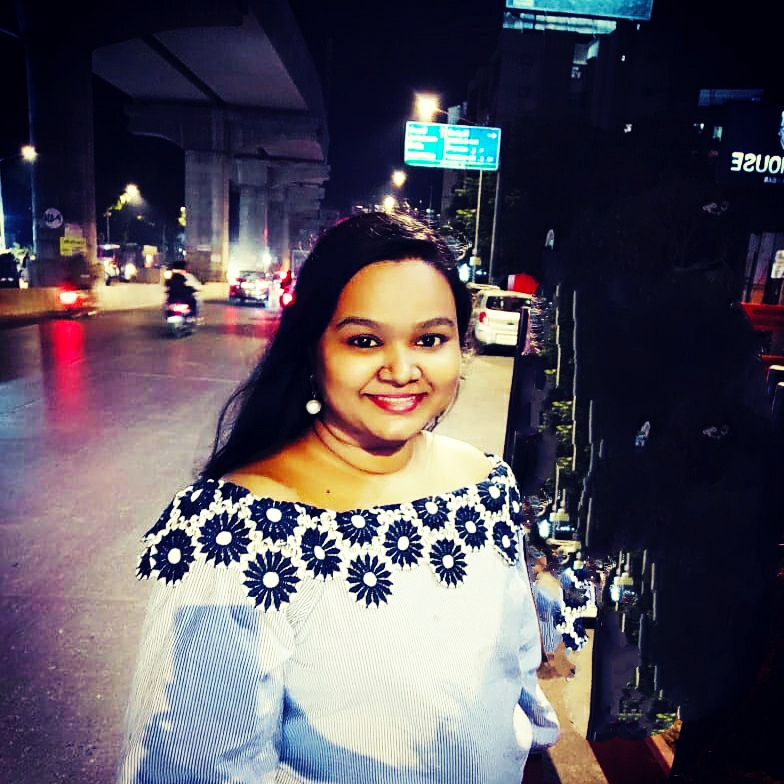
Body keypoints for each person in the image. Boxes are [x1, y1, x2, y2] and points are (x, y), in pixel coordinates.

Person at [116, 211, 560, 783]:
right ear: (313, 350)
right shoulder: (234, 534)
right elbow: (191, 768)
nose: (402, 369)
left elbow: (514, 680)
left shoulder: (486, 485)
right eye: (364, 341)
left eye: (429, 339)